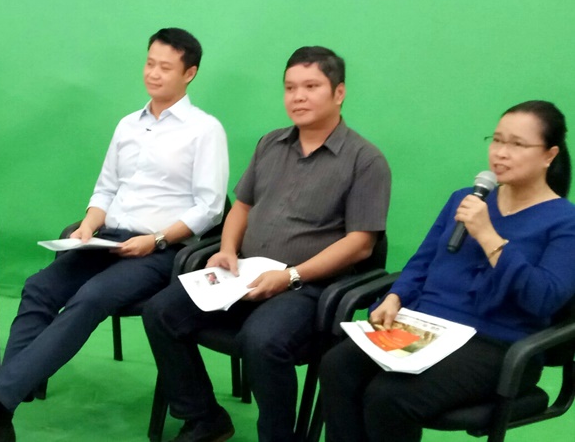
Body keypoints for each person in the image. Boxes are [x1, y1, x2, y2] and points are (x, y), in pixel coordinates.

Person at [0, 27, 229, 442]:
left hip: (161, 251)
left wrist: (158, 239)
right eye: (150, 63)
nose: (153, 73)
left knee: (90, 298)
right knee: (39, 287)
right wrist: (89, 225)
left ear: (190, 74)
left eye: (166, 67)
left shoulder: (205, 130)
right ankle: (1, 414)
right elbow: (105, 189)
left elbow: (209, 207)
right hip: (107, 239)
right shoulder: (129, 125)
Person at [141, 46, 392, 442]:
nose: (299, 97)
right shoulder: (271, 143)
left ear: (339, 93)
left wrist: (291, 275)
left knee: (261, 340)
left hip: (309, 287)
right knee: (160, 311)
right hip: (242, 272)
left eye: (311, 86)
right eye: (290, 87)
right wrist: (226, 249)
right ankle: (204, 416)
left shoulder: (365, 160)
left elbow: (361, 244)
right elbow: (241, 206)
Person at [319, 100, 575, 442]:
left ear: (549, 155)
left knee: (389, 396)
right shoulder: (464, 199)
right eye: (497, 140)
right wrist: (395, 297)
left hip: (498, 343)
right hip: (425, 329)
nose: (500, 153)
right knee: (337, 367)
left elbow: (543, 298)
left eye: (517, 144)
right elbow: (422, 263)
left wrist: (488, 237)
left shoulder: (564, 221)